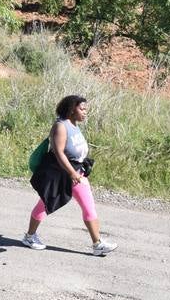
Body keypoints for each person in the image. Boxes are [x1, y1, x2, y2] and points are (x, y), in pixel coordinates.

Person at [23, 95, 117, 256]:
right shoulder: (60, 126)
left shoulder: (74, 124)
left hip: (77, 174)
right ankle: (30, 236)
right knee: (45, 204)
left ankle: (97, 244)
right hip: (61, 174)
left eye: (85, 109)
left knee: (89, 207)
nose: (85, 112)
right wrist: (72, 173)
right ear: (72, 109)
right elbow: (59, 153)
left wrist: (79, 168)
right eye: (82, 109)